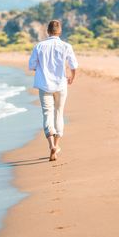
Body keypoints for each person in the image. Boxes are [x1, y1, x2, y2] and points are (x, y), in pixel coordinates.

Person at [28, 19, 78, 161]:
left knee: (47, 114)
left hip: (44, 85)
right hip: (61, 84)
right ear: (59, 31)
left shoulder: (39, 46)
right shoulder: (66, 46)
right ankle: (57, 144)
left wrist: (41, 68)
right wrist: (71, 77)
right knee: (59, 113)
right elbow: (73, 65)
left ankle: (51, 146)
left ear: (47, 31)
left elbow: (31, 65)